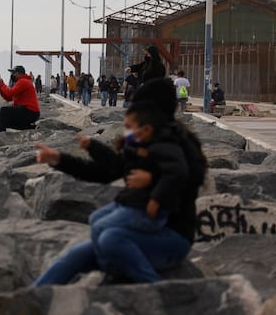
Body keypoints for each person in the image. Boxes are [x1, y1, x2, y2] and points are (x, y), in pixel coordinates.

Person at [32, 78, 207, 285]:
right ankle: (32, 296)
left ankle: (156, 289)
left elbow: (186, 176)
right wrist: (60, 160)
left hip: (172, 237)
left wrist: (153, 180)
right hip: (136, 233)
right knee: (77, 254)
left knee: (109, 238)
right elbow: (107, 171)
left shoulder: (179, 143)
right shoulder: (142, 141)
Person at [0, 65, 41, 132]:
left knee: (4, 110)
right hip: (31, 112)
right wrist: (0, 89)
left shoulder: (23, 81)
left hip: (29, 111)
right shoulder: (22, 81)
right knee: (6, 122)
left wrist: (2, 84)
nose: (12, 75)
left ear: (19, 73)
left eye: (14, 73)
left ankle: (1, 135)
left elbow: (10, 93)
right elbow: (8, 98)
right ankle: (31, 128)